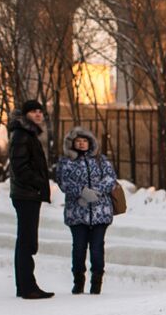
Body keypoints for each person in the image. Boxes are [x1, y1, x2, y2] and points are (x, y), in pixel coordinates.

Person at [54, 126, 117, 295]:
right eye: (78, 141)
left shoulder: (100, 160)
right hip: (77, 212)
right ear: (72, 143)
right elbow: (63, 182)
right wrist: (81, 192)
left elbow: (111, 178)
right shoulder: (66, 162)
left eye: (85, 141)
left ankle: (97, 281)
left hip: (100, 212)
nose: (82, 144)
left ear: (90, 143)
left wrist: (95, 192)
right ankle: (78, 281)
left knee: (97, 248)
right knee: (79, 247)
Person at [8, 99, 53, 299]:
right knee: (27, 241)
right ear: (25, 114)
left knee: (27, 241)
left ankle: (25, 285)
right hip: (26, 194)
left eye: (40, 111)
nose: (38, 114)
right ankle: (27, 287)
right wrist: (38, 183)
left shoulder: (28, 134)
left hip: (28, 194)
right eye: (33, 111)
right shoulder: (22, 135)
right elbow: (20, 167)